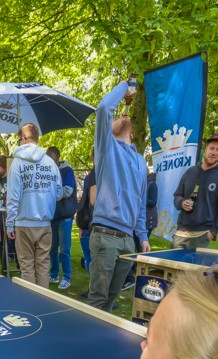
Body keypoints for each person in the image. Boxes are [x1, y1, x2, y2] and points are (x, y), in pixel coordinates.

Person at [87, 81, 150, 311]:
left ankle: (103, 343)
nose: (119, 116)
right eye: (115, 119)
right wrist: (126, 87)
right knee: (98, 299)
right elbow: (104, 108)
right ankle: (88, 346)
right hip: (105, 236)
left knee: (112, 300)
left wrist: (142, 236)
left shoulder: (141, 162)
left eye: (123, 118)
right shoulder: (107, 147)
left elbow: (141, 203)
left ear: (132, 134)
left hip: (128, 240)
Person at [5, 122, 60, 287]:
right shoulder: (50, 163)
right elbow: (58, 193)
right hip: (45, 223)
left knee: (27, 266)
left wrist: (9, 224)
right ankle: (43, 304)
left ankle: (31, 304)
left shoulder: (18, 163)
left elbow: (13, 196)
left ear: (23, 140)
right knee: (43, 266)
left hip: (24, 223)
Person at [171, 133, 218, 250]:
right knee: (172, 267)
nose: (214, 152)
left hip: (202, 234)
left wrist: (214, 232)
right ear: (206, 149)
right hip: (181, 232)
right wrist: (181, 202)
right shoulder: (190, 171)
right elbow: (177, 195)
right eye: (211, 148)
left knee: (194, 268)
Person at [46, 146, 76, 289]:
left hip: (65, 216)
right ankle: (54, 274)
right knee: (52, 249)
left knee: (64, 249)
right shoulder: (48, 171)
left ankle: (67, 277)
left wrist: (51, 192)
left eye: (50, 158)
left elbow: (68, 191)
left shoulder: (67, 171)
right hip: (53, 217)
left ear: (57, 158)